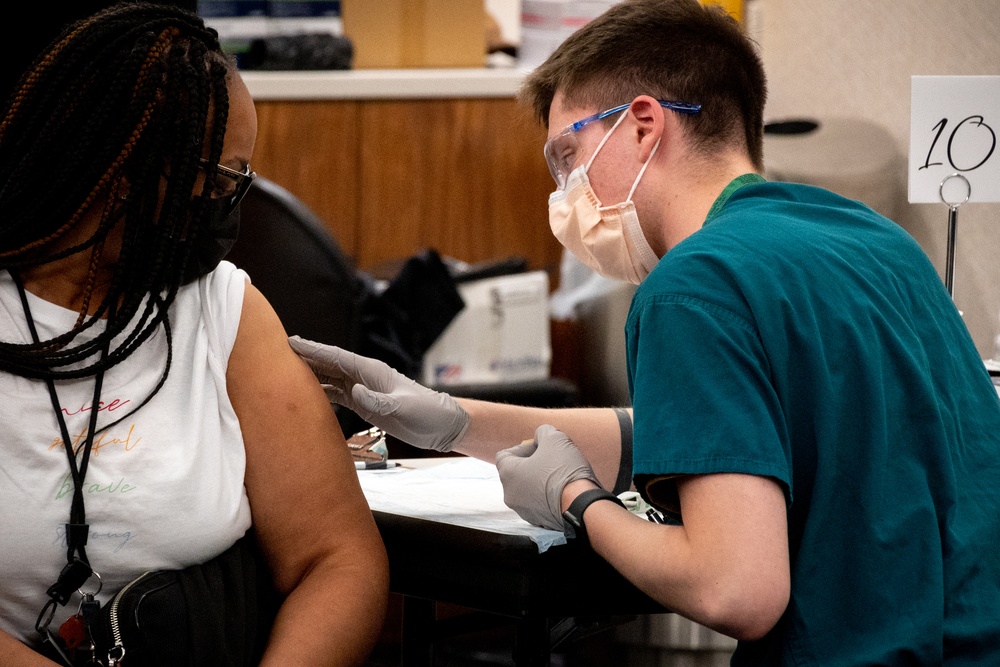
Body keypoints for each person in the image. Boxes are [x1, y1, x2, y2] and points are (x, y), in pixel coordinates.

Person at [290, 0, 1000, 664]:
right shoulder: (876, 242)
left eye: (566, 157)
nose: (563, 194)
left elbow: (737, 590)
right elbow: (711, 436)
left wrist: (578, 502)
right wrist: (452, 421)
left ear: (641, 124)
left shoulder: (696, 285)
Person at [0, 3, 388, 665]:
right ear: (116, 166)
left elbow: (338, 560)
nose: (227, 204)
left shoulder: (222, 308)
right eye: (217, 178)